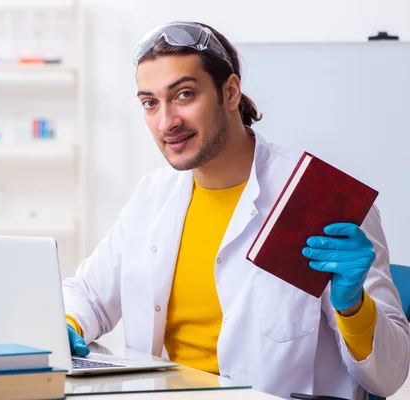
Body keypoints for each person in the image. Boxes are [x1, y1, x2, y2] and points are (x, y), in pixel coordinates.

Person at [62, 21, 410, 400]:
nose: (166, 122)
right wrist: (64, 324)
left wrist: (354, 305)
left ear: (230, 92)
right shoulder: (153, 195)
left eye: (184, 95)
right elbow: (89, 296)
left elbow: (389, 378)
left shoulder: (315, 199)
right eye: (150, 103)